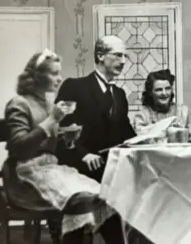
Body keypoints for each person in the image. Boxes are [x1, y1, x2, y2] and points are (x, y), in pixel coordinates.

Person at [2, 49, 115, 244]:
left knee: (101, 195)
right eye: (54, 73)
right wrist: (53, 119)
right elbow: (20, 148)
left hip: (47, 171)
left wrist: (66, 138)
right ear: (36, 76)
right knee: (80, 199)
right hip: (24, 177)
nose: (60, 78)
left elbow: (45, 144)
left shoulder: (46, 104)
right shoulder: (19, 103)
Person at [54, 35, 136, 244]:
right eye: (117, 55)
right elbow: (61, 130)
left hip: (107, 171)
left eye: (124, 56)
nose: (123, 61)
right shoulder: (74, 87)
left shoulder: (119, 95)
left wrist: (151, 137)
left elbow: (126, 135)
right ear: (100, 56)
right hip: (77, 168)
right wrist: (83, 154)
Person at [133, 69, 190, 133]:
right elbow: (140, 139)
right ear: (150, 93)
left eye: (168, 89)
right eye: (159, 90)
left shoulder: (183, 112)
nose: (164, 93)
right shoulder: (142, 116)